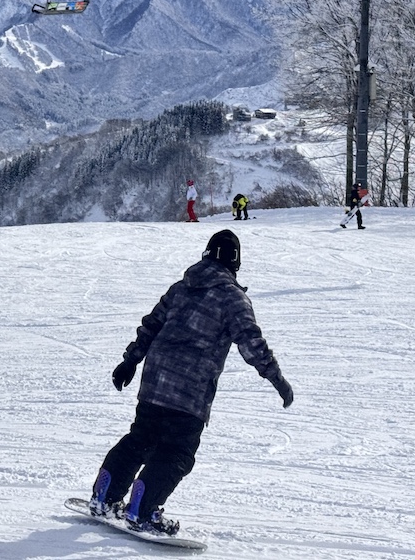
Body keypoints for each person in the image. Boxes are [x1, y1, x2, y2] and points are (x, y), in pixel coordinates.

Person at [87, 229, 293, 536]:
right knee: (176, 452)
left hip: (155, 382)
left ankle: (105, 495)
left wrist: (130, 360)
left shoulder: (181, 288)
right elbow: (251, 342)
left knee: (140, 438)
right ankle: (141, 511)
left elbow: (151, 325)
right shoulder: (233, 298)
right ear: (235, 262)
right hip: (190, 391)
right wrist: (277, 379)